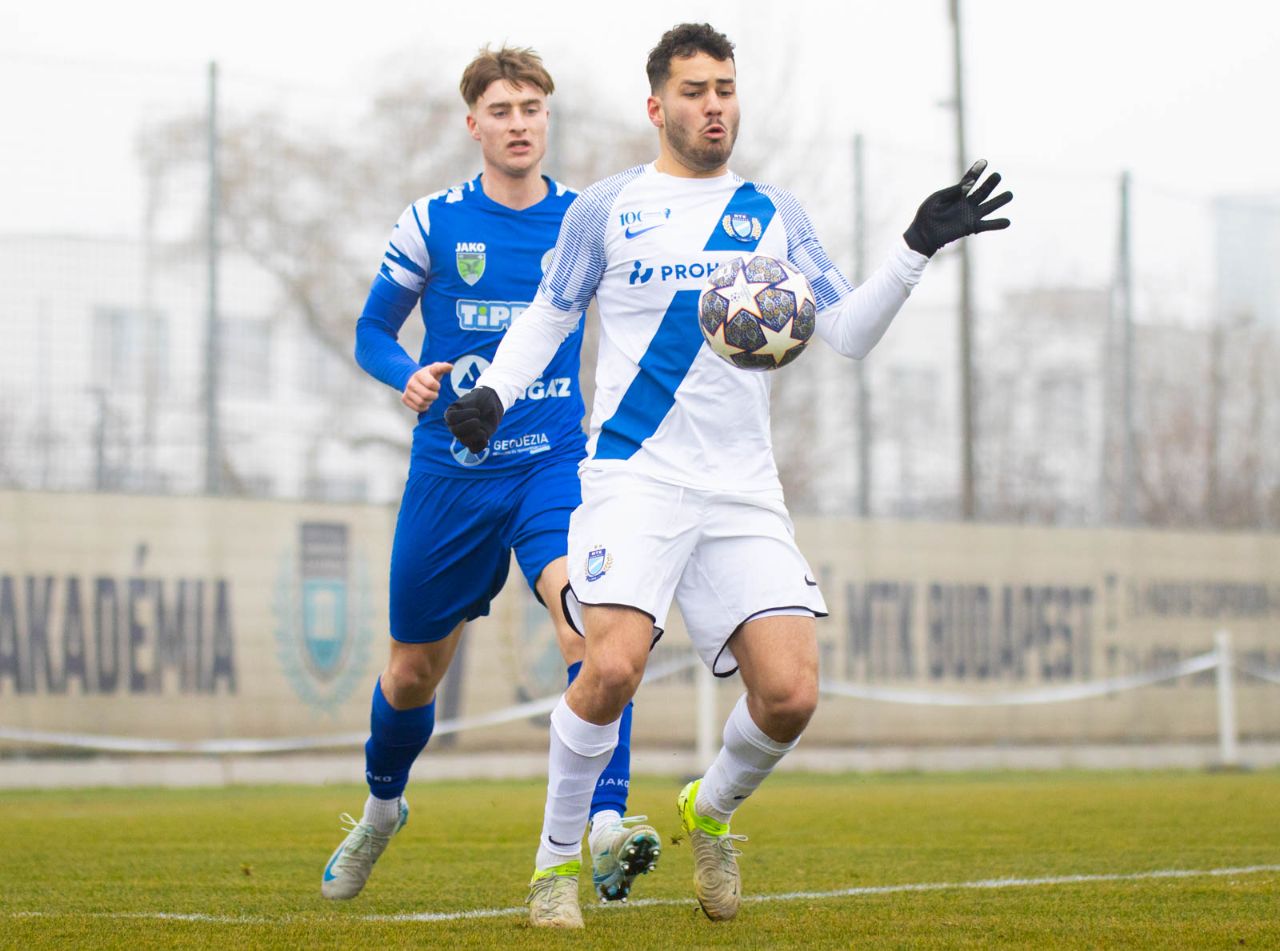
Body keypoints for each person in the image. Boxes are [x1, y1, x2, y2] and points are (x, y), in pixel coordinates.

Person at [447, 23, 1013, 929]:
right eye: (695, 90)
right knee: (612, 667)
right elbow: (550, 315)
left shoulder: (774, 213)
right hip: (633, 477)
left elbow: (847, 332)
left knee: (790, 695)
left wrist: (914, 248)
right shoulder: (608, 208)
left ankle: (707, 810)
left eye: (725, 89)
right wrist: (492, 395)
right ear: (656, 106)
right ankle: (553, 869)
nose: (715, 106)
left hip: (742, 487)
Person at [321, 45, 659, 906]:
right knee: (411, 672)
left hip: (553, 464)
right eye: (502, 110)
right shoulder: (432, 222)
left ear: (548, 118)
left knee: (590, 628)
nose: (519, 124)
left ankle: (604, 824)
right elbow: (371, 330)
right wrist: (407, 375)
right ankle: (382, 808)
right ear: (473, 123)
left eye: (532, 108)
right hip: (454, 471)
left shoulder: (586, 220)